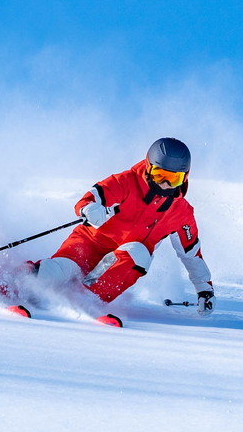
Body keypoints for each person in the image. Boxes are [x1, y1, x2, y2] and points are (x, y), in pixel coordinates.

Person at [31, 137, 214, 322]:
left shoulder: (181, 213)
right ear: (149, 167)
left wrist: (204, 289)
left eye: (174, 178)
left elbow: (191, 254)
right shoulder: (125, 182)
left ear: (185, 176)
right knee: (57, 272)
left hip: (122, 262)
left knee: (140, 253)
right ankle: (15, 282)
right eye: (160, 174)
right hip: (87, 244)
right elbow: (89, 199)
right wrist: (90, 209)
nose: (165, 183)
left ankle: (84, 299)